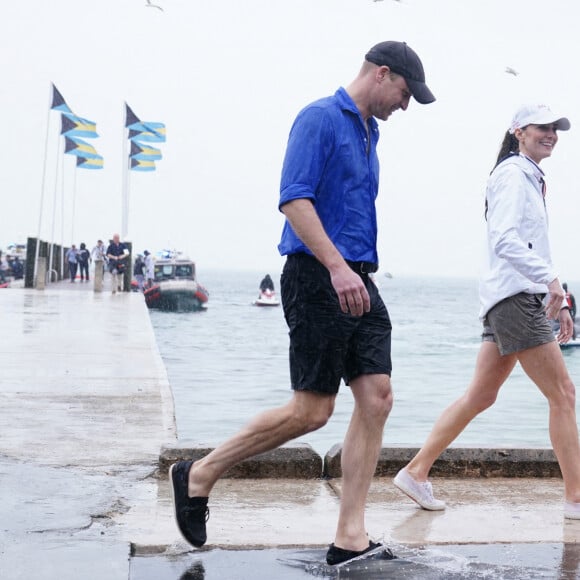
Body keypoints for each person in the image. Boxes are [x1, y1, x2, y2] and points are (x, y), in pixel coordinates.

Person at [169, 40, 435, 565]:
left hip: (359, 279)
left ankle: (350, 537)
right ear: (382, 74)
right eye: (405, 93)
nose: (405, 105)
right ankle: (199, 473)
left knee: (377, 396)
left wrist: (352, 270)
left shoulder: (369, 132)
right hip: (318, 277)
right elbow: (294, 198)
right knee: (312, 412)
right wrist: (336, 268)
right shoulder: (318, 118)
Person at [393, 103, 580, 521]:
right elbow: (505, 240)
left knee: (481, 395)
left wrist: (556, 291)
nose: (550, 134)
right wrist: (552, 283)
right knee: (564, 394)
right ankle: (576, 499)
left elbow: (526, 244)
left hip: (510, 297)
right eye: (541, 127)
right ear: (518, 131)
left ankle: (415, 471)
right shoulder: (513, 175)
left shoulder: (526, 175)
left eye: (555, 128)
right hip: (516, 297)